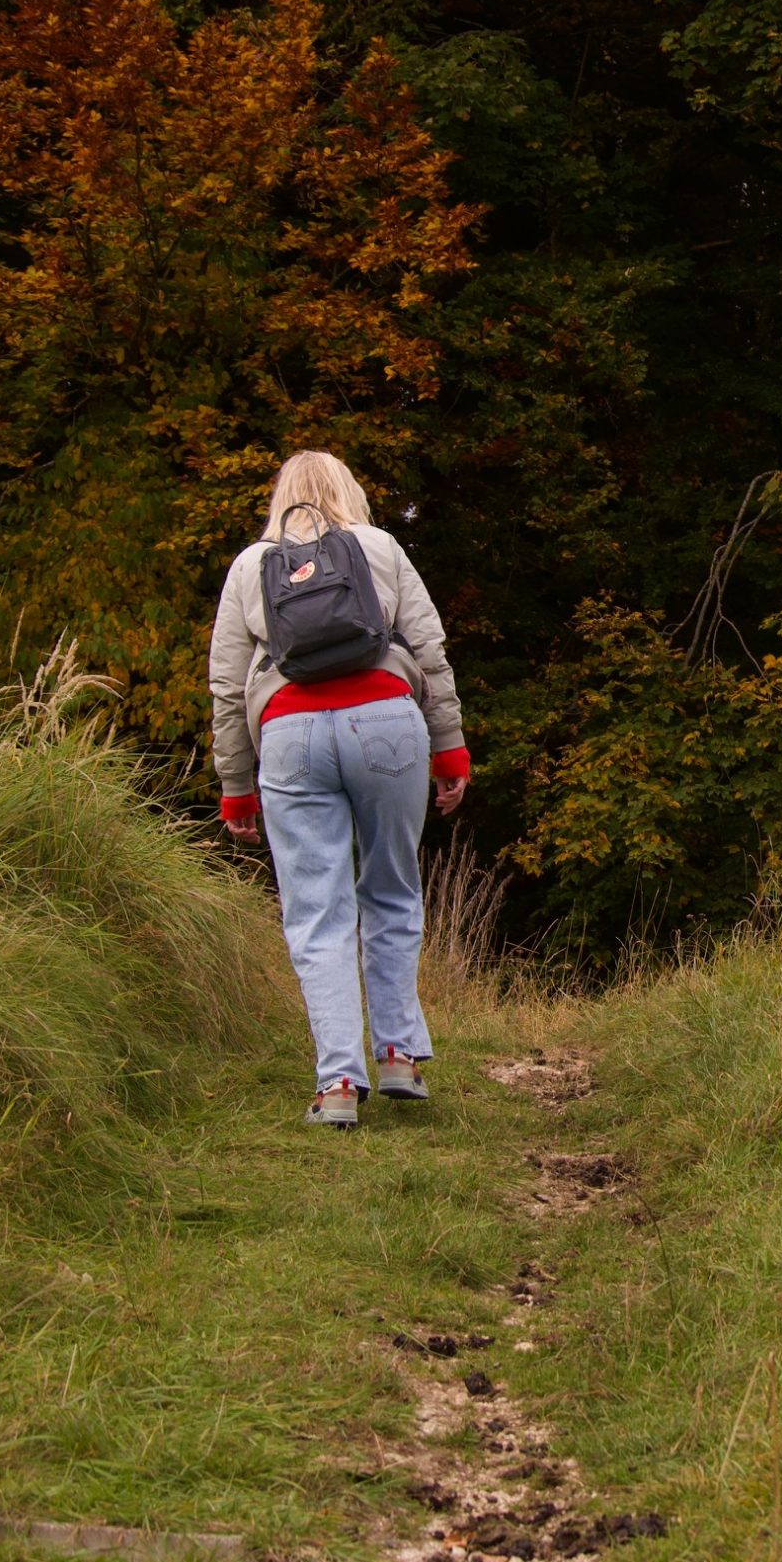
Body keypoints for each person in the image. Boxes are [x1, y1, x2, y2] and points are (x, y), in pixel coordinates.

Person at [208, 451, 469, 1127]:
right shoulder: (380, 547)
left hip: (289, 734)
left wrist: (236, 786)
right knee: (391, 887)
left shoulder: (251, 566)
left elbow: (227, 686)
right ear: (350, 492)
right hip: (386, 722)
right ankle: (398, 1054)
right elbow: (430, 650)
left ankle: (339, 1086)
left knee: (316, 911)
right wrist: (449, 746)